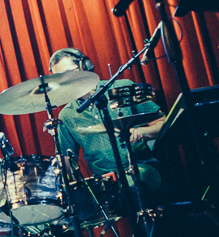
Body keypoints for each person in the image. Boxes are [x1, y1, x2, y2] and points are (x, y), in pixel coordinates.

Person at [48, 47, 167, 207]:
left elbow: (163, 122)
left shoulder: (123, 88)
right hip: (106, 184)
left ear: (85, 66)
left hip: (141, 168)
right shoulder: (66, 116)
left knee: (132, 187)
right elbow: (66, 161)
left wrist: (141, 132)